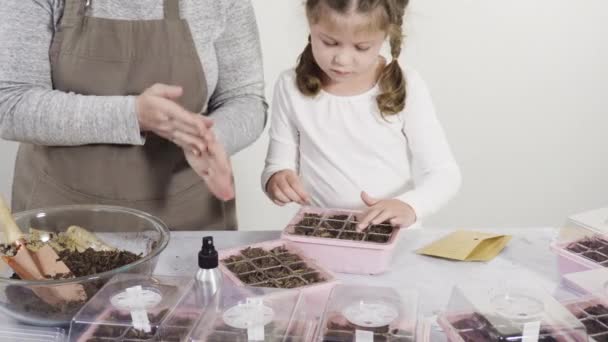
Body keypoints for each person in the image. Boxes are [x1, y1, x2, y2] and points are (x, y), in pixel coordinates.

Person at [0, 0, 266, 231]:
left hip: (188, 219)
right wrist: (133, 115)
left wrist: (209, 138)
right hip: (61, 220)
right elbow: (9, 103)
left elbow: (245, 97)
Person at [261, 0, 461, 230]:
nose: (342, 59)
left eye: (361, 47)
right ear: (310, 23)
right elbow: (277, 164)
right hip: (321, 234)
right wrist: (275, 179)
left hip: (394, 236)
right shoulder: (290, 86)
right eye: (329, 42)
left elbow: (444, 173)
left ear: (386, 34)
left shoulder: (406, 86)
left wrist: (410, 206)